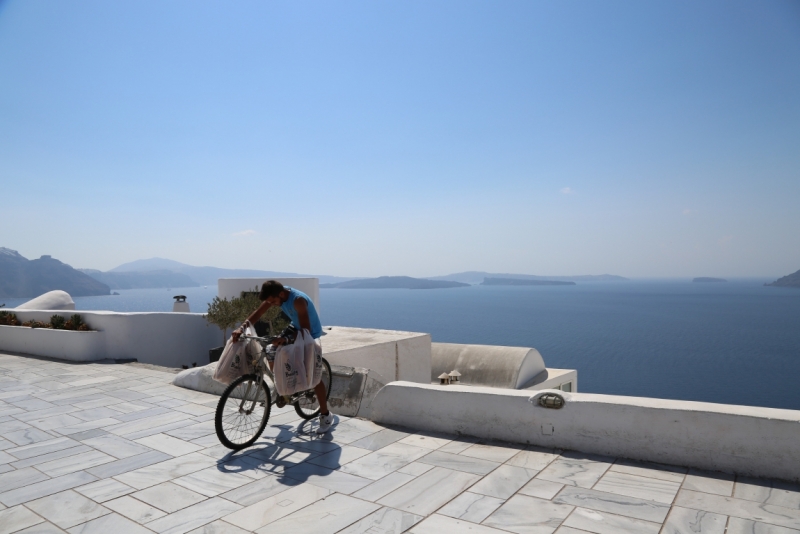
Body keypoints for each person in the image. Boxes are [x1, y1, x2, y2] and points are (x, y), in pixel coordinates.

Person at [232, 280, 333, 434]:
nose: (272, 304)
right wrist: (241, 328)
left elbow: (305, 330)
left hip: (309, 333)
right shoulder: (276, 296)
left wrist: (286, 340)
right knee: (272, 351)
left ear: (281, 294)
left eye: (273, 301)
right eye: (270, 302)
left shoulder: (298, 300)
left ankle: (325, 415)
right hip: (296, 326)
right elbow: (258, 313)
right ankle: (283, 387)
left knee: (312, 375)